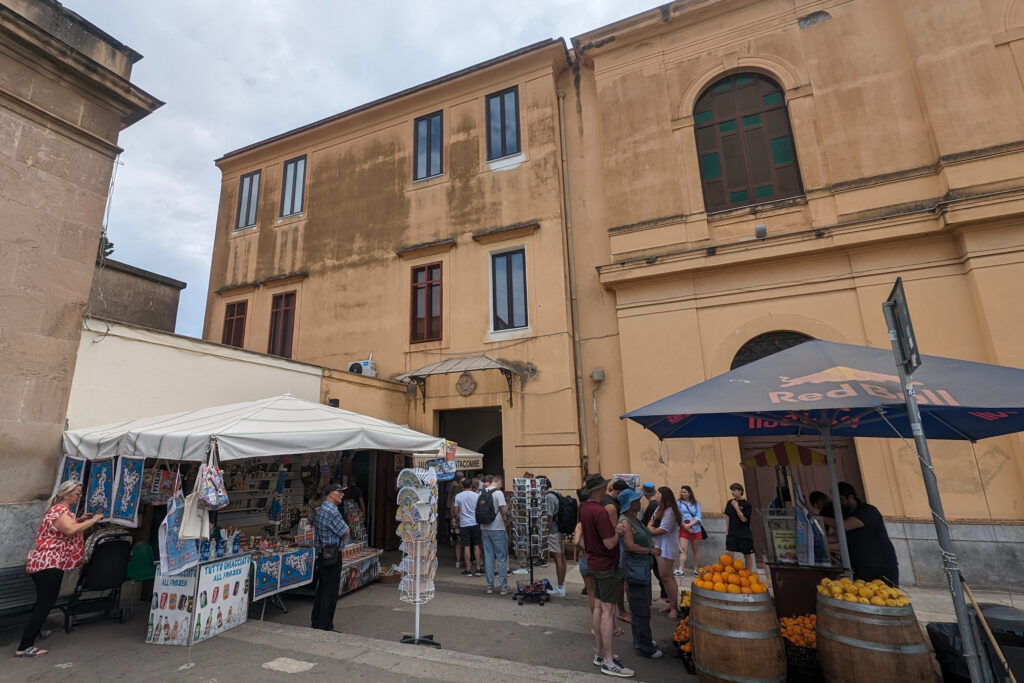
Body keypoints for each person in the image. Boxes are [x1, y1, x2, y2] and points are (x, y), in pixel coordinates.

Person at [16, 480, 101, 658]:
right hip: (49, 563)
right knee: (45, 603)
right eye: (77, 493)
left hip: (44, 563)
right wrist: (92, 521)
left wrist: (80, 520)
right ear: (66, 494)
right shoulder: (59, 510)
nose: (79, 496)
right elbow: (69, 530)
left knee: (43, 601)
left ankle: (36, 631)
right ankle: (25, 646)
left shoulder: (60, 511)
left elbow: (62, 528)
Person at [579, 474, 635, 678]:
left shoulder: (584, 509)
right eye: (602, 488)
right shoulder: (600, 512)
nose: (605, 491)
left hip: (593, 562)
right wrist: (619, 531)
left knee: (599, 607)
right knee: (608, 611)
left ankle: (599, 653)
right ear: (597, 491)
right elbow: (609, 543)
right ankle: (609, 660)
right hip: (605, 565)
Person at [616, 488, 663, 660]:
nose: (639, 502)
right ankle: (644, 646)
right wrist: (650, 551)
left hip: (641, 568)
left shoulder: (632, 518)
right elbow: (630, 546)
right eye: (636, 501)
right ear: (629, 505)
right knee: (640, 608)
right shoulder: (625, 522)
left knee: (641, 606)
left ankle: (644, 640)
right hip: (635, 569)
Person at [837, 482, 900, 586]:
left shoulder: (867, 510)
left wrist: (822, 519)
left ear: (851, 497)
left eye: (841, 500)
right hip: (860, 567)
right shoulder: (846, 515)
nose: (839, 503)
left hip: (880, 566)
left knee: (885, 598)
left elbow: (846, 525)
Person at [312, 484, 349, 631]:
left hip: (323, 554)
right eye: (339, 492)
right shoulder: (332, 511)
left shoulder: (321, 509)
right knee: (330, 591)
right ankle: (325, 624)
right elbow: (345, 531)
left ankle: (317, 621)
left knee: (322, 589)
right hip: (332, 555)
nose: (342, 494)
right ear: (331, 494)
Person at [647, 486, 681, 620]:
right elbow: (650, 522)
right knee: (663, 576)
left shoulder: (670, 511)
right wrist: (651, 528)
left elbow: (663, 529)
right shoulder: (658, 508)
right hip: (658, 544)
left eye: (658, 493)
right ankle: (670, 603)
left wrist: (652, 530)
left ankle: (674, 607)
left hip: (666, 546)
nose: (656, 495)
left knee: (667, 576)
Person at [604, 479, 630, 624]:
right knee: (620, 580)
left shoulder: (611, 502)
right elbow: (615, 528)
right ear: (619, 492)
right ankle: (621, 611)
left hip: (615, 546)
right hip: (616, 546)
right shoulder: (611, 506)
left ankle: (620, 609)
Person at [479, 474, 510, 595]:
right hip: (497, 528)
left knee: (488, 556)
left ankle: (489, 586)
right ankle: (503, 587)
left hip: (484, 527)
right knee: (501, 557)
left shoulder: (482, 492)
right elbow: (504, 510)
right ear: (499, 482)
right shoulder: (498, 493)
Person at [538, 474, 566, 597]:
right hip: (559, 529)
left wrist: (545, 532)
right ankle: (561, 586)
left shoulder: (549, 497)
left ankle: (560, 588)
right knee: (561, 557)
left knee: (558, 558)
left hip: (553, 531)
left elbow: (549, 517)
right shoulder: (556, 494)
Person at [640, 482, 668, 603]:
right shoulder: (657, 505)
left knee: (659, 571)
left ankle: (665, 595)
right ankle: (665, 594)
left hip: (654, 541)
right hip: (657, 540)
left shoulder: (652, 506)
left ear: (644, 493)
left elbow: (648, 524)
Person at [452, 478, 482, 576]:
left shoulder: (458, 496)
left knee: (466, 546)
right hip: (475, 523)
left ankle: (468, 569)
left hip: (464, 523)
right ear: (471, 486)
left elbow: (455, 510)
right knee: (477, 545)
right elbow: (480, 509)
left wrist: (459, 517)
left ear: (463, 486)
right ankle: (478, 568)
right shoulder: (477, 496)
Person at [724, 482, 755, 571]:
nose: (732, 492)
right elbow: (728, 517)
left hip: (743, 533)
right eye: (731, 490)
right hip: (732, 532)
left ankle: (748, 573)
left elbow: (744, 519)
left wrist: (736, 507)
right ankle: (730, 571)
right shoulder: (730, 502)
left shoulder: (747, 505)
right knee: (728, 552)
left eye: (734, 490)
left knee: (747, 554)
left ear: (740, 491)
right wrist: (727, 531)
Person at [676, 485, 703, 577]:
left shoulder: (696, 503)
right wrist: (685, 526)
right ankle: (680, 569)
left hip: (695, 528)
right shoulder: (678, 503)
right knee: (683, 549)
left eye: (685, 492)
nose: (683, 494)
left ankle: (696, 569)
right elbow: (677, 515)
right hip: (684, 527)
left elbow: (698, 517)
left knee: (695, 549)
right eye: (682, 492)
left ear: (689, 493)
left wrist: (690, 525)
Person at [447, 471, 465, 567]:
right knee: (467, 543)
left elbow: (453, 511)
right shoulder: (472, 495)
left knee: (458, 542)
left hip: (456, 521)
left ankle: (458, 561)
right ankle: (468, 562)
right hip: (466, 521)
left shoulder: (457, 496)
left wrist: (453, 519)